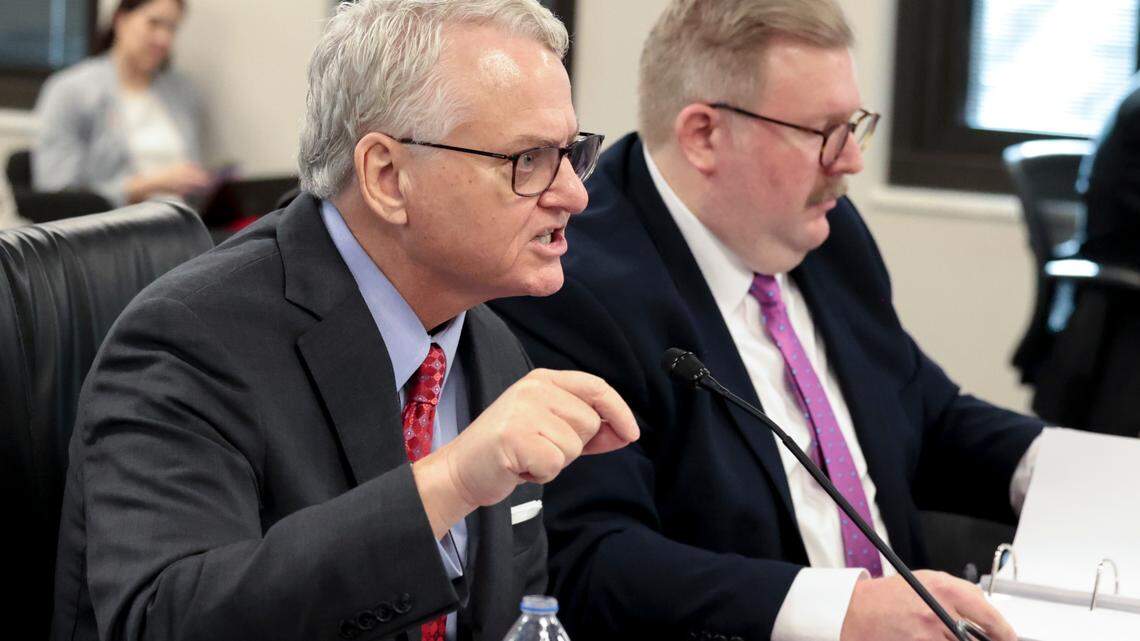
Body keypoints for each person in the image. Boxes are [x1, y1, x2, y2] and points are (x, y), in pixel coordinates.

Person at [51, 2, 637, 641]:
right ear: (387, 177)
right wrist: (447, 482)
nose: (575, 194)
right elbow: (163, 622)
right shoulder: (188, 341)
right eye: (527, 159)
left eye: (570, 152)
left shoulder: (490, 343)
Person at [488, 1, 1043, 640]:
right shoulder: (571, 287)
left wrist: (1083, 472)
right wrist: (842, 613)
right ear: (703, 135)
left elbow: (925, 413)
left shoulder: (826, 237)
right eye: (823, 132)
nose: (850, 161)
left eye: (853, 126)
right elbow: (591, 558)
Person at [33, 0, 211, 206]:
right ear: (121, 20)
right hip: (115, 228)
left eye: (172, 28)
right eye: (154, 23)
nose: (164, 39)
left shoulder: (182, 91)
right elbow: (58, 193)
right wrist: (150, 185)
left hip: (186, 224)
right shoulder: (70, 90)